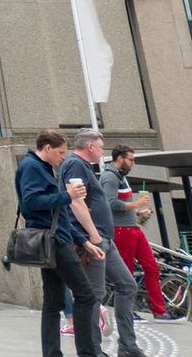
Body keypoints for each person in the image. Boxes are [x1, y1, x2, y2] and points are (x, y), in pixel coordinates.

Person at [17, 129, 104, 357]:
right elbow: (31, 202)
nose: (63, 157)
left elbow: (60, 215)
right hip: (53, 241)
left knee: (53, 302)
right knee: (86, 295)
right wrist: (68, 195)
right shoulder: (31, 167)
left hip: (54, 239)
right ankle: (87, 353)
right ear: (47, 148)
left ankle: (53, 354)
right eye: (60, 152)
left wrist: (83, 242)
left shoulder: (41, 167)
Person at [61, 129, 143, 357]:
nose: (102, 151)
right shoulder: (75, 164)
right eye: (100, 146)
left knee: (127, 285)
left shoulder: (85, 167)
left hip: (105, 240)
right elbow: (75, 202)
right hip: (93, 240)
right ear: (90, 147)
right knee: (93, 296)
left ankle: (127, 346)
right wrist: (92, 236)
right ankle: (92, 351)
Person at [105, 144, 179, 321]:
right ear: (120, 158)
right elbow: (109, 203)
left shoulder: (121, 177)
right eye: (130, 159)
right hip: (121, 230)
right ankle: (129, 310)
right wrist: (136, 206)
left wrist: (137, 213)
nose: (133, 163)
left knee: (152, 266)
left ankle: (159, 310)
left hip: (132, 228)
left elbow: (120, 205)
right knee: (126, 271)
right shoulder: (110, 177)